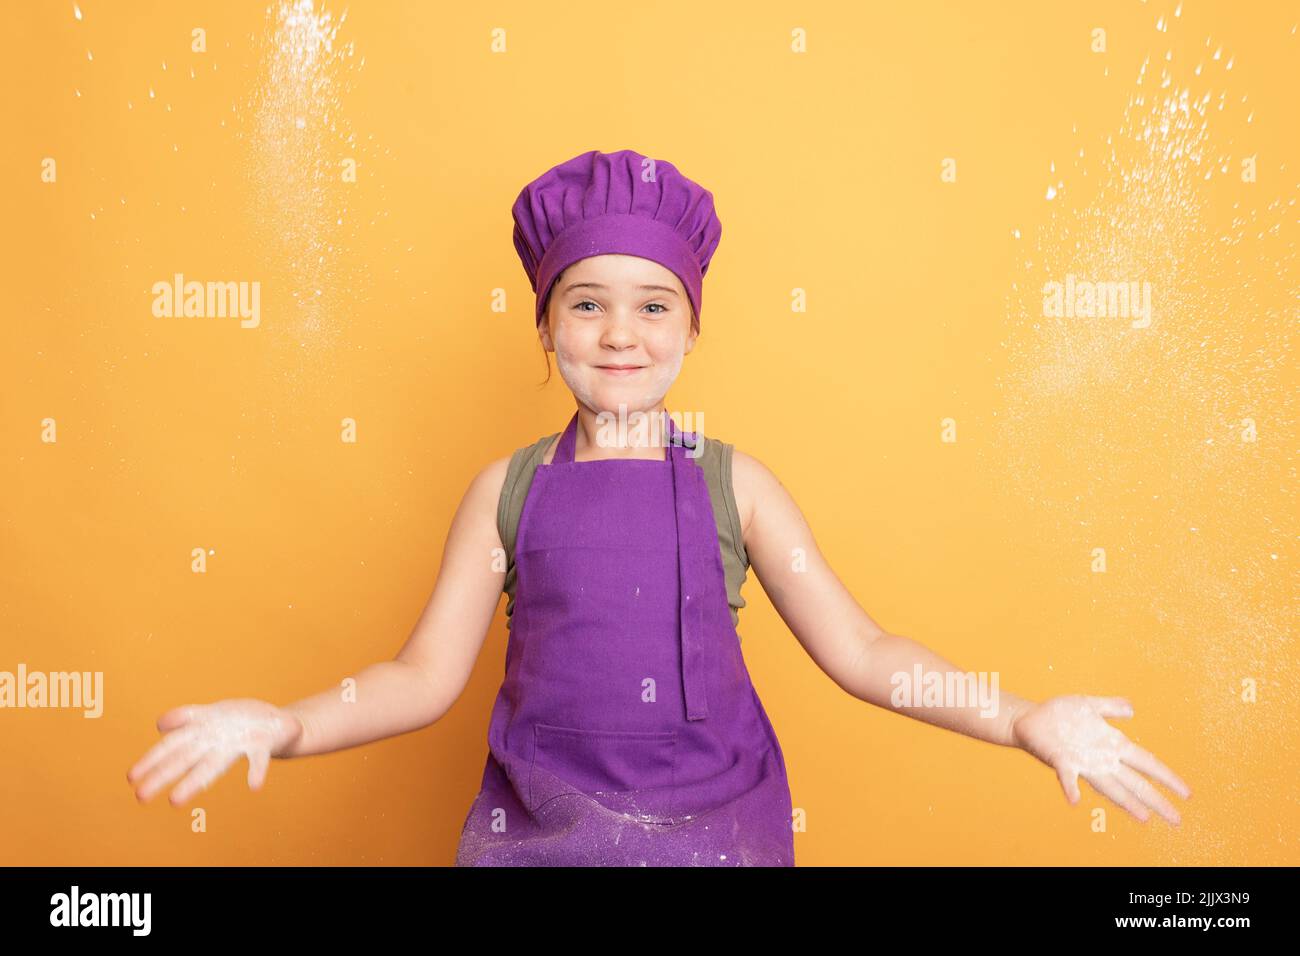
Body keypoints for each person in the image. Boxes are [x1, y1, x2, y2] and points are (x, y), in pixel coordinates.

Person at [126, 148, 1191, 866]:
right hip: (537, 840)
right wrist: (286, 720)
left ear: (691, 328)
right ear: (545, 327)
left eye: (653, 305)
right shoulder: (505, 490)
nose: (620, 333)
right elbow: (419, 676)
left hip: (714, 840)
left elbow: (865, 651)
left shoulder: (738, 484)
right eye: (586, 304)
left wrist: (1019, 718)